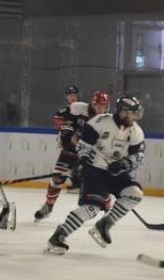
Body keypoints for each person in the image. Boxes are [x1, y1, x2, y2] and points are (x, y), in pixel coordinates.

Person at [45, 94, 145, 255]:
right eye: (132, 113)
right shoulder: (100, 122)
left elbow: (138, 157)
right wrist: (83, 161)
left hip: (117, 173)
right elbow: (83, 146)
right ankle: (58, 236)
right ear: (123, 112)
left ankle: (105, 224)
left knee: (134, 194)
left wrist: (124, 164)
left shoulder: (136, 132)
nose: (135, 117)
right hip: (96, 171)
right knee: (90, 208)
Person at [34, 91, 111, 221]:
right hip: (70, 150)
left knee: (99, 181)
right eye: (98, 105)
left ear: (107, 106)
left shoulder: (108, 120)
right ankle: (48, 206)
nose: (100, 108)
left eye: (103, 106)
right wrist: (66, 133)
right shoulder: (79, 108)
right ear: (93, 104)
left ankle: (107, 207)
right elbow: (63, 118)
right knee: (57, 178)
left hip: (90, 155)